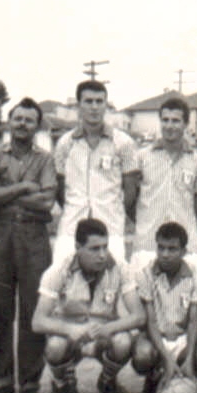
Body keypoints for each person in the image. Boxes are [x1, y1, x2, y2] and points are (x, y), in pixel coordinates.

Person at [0, 98, 56, 393]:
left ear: (37, 125)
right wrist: (24, 189)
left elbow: (47, 201)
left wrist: (4, 195)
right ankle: (1, 381)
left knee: (33, 309)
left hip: (34, 238)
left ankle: (30, 382)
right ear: (9, 122)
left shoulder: (46, 160)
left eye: (29, 120)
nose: (23, 124)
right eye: (18, 118)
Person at [32, 218, 145, 393]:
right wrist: (70, 330)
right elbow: (38, 321)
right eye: (94, 249)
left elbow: (139, 316)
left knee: (123, 341)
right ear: (78, 247)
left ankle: (108, 382)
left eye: (105, 247)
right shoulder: (59, 270)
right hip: (71, 337)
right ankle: (62, 385)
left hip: (103, 335)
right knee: (55, 346)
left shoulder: (120, 267)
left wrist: (107, 328)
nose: (102, 255)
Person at [131, 223, 197, 393]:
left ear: (184, 251)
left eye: (172, 249)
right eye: (161, 248)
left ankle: (185, 378)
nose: (165, 254)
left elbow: (194, 322)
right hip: (155, 337)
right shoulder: (145, 273)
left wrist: (189, 360)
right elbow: (151, 322)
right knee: (142, 356)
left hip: (183, 338)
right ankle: (154, 377)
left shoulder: (196, 273)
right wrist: (167, 359)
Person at [53, 80, 139, 263]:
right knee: (65, 279)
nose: (94, 107)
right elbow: (59, 188)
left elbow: (131, 190)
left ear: (106, 105)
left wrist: (114, 211)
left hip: (110, 228)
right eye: (88, 101)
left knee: (111, 282)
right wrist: (74, 206)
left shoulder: (123, 143)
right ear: (78, 106)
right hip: (71, 228)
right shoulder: (65, 143)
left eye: (99, 101)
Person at [132, 97, 197, 267]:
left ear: (186, 124)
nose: (169, 125)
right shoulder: (142, 157)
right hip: (148, 242)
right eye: (165, 120)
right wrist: (145, 220)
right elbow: (131, 199)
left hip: (186, 243)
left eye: (175, 121)